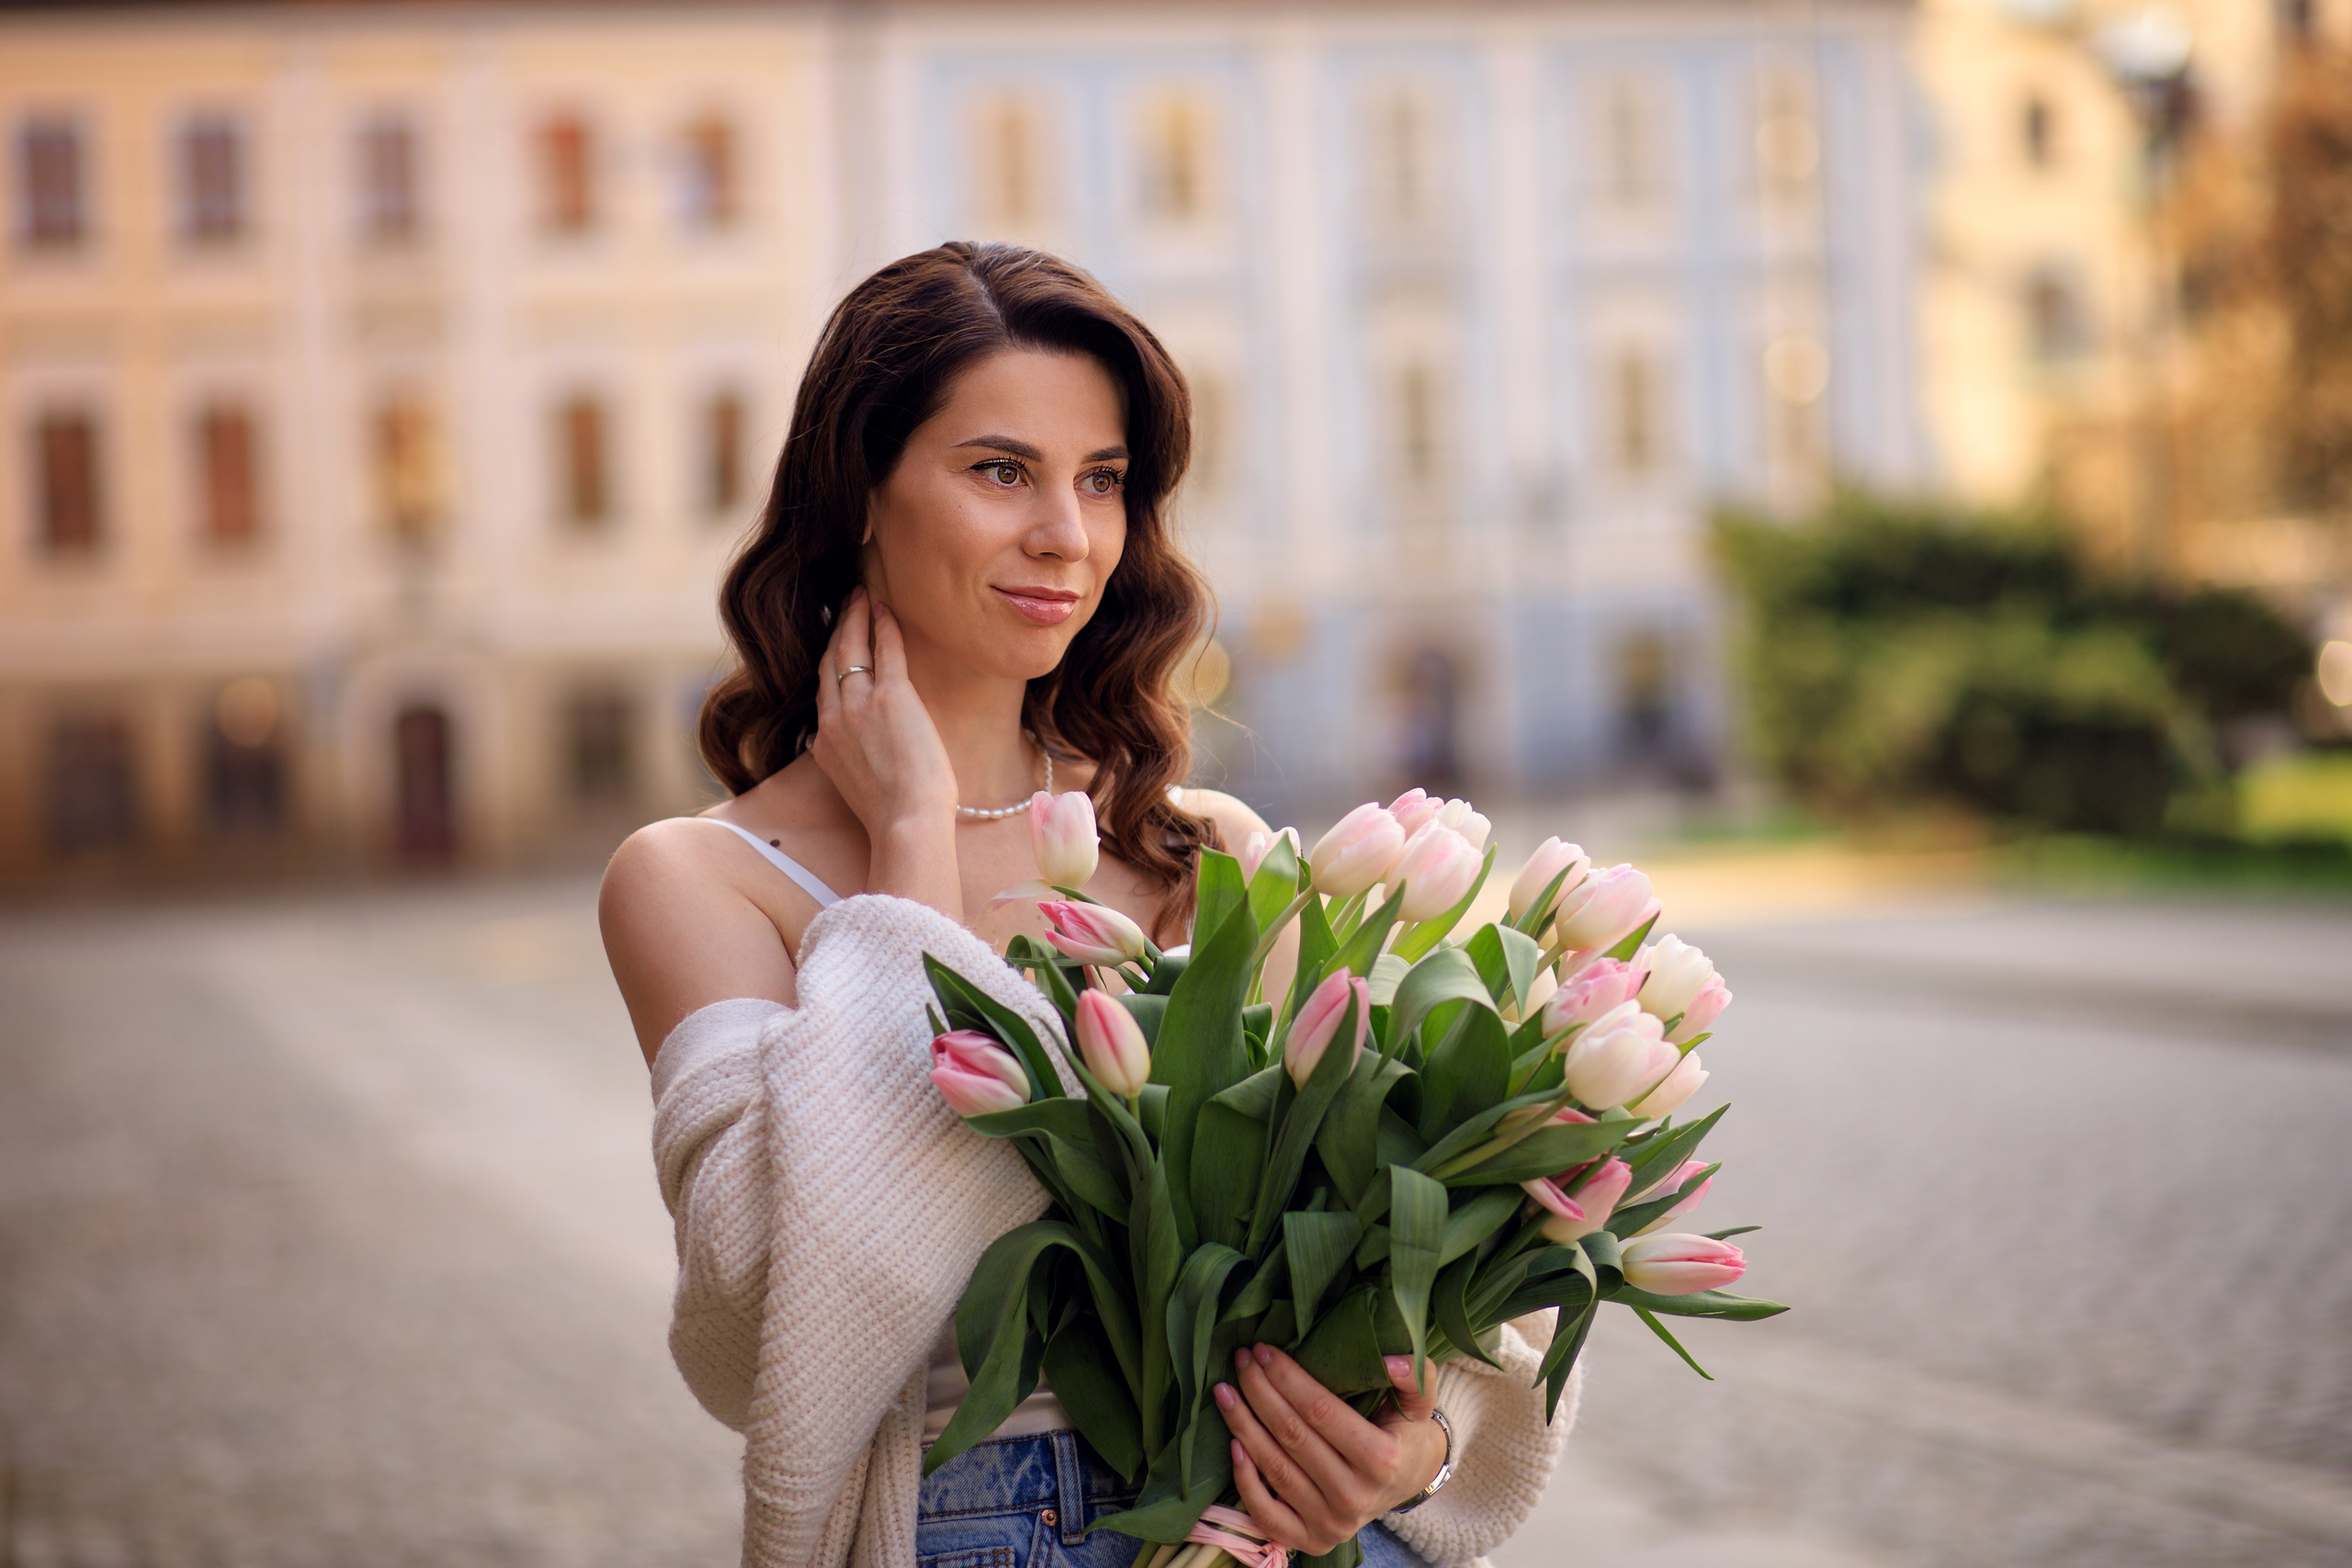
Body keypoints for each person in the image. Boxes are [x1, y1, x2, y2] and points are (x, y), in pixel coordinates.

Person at [599, 242, 1568, 1568]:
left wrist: (1410, 1448)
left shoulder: (1205, 856)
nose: (1068, 533)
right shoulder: (698, 881)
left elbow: (1415, 1275)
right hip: (963, 1530)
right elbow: (786, 1310)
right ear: (860, 497)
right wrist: (911, 846)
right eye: (1002, 470)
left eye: (1101, 480)